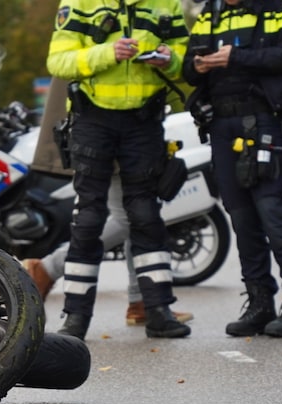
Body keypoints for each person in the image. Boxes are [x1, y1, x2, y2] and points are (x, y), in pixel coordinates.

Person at [47, 0, 192, 341]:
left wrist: (168, 59)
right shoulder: (80, 3)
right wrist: (108, 53)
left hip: (144, 121)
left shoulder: (165, 4)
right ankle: (76, 318)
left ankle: (157, 311)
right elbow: (59, 60)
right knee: (88, 218)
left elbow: (185, 61)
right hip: (92, 120)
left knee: (145, 215)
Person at [183, 0, 282, 337]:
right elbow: (186, 67)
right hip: (221, 124)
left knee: (272, 212)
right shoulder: (210, 12)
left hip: (264, 120)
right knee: (241, 216)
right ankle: (260, 302)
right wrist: (197, 66)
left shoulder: (279, 5)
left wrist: (235, 57)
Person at [23, 77, 193, 326]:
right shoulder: (98, 40)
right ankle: (48, 269)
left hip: (122, 127)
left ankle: (141, 301)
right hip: (104, 128)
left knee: (134, 218)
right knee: (128, 218)